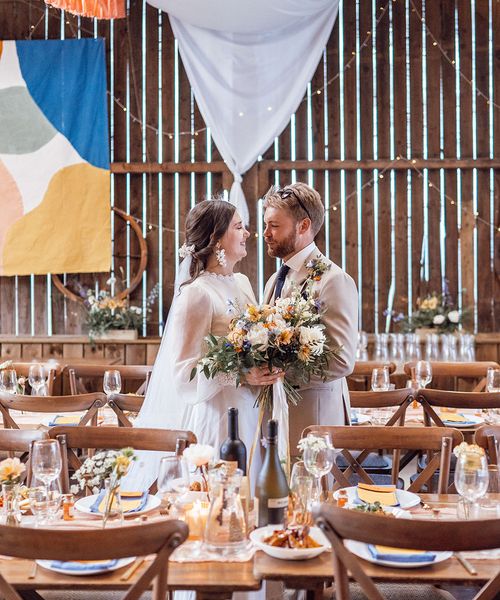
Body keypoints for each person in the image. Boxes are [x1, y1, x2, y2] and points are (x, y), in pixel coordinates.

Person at [123, 198, 279, 492]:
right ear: (216, 239)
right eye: (239, 227)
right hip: (218, 414)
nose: (247, 234)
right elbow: (184, 371)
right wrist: (240, 374)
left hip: (252, 408)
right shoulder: (197, 294)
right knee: (220, 500)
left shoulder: (242, 282)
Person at [260, 182, 358, 452]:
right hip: (276, 419)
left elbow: (341, 359)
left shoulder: (333, 280)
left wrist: (278, 375)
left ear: (303, 226)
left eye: (274, 226)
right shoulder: (275, 279)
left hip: (313, 421)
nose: (266, 233)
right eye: (266, 225)